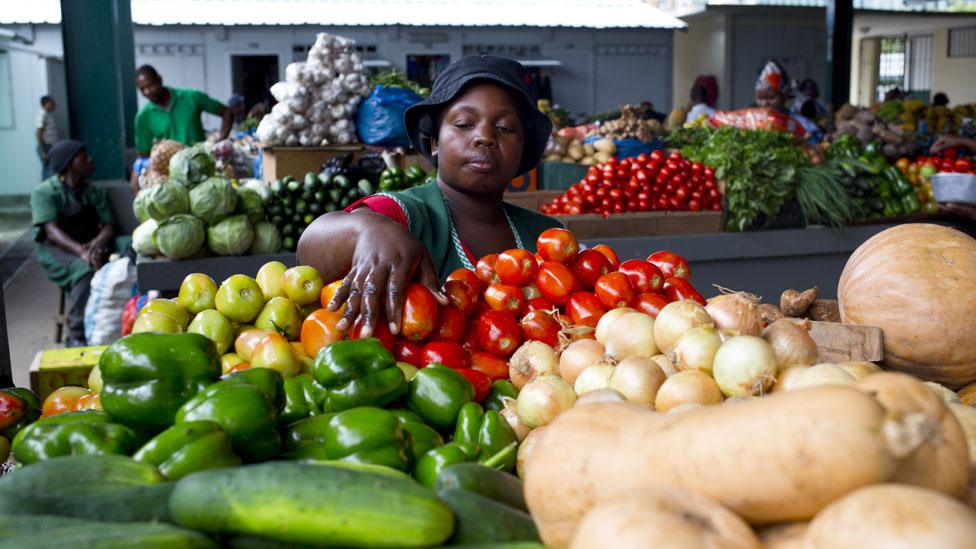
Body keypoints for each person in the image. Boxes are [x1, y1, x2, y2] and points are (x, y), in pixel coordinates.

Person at [297, 55, 561, 336]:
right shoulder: (404, 213)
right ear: (435, 142)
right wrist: (367, 230)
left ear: (523, 149)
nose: (484, 137)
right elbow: (309, 248)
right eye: (463, 124)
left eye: (506, 128)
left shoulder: (546, 235)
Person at [30, 141, 117, 347]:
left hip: (89, 243)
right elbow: (51, 231)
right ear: (69, 164)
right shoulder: (45, 193)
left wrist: (94, 246)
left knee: (126, 253)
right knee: (84, 271)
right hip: (56, 250)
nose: (89, 160)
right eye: (83, 157)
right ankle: (76, 334)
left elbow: (108, 228)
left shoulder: (94, 192)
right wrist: (81, 252)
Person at [131, 65, 233, 191]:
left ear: (159, 79)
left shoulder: (191, 97)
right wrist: (136, 173)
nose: (147, 91)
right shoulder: (143, 117)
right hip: (170, 178)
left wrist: (218, 140)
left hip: (202, 168)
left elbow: (227, 112)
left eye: (150, 85)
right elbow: (144, 154)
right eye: (142, 89)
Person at [35, 96, 59, 179]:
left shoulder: (48, 114)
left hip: (51, 146)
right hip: (46, 146)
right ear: (46, 103)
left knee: (51, 169)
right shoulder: (41, 115)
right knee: (48, 169)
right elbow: (38, 133)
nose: (54, 104)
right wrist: (43, 151)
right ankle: (45, 190)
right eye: (52, 102)